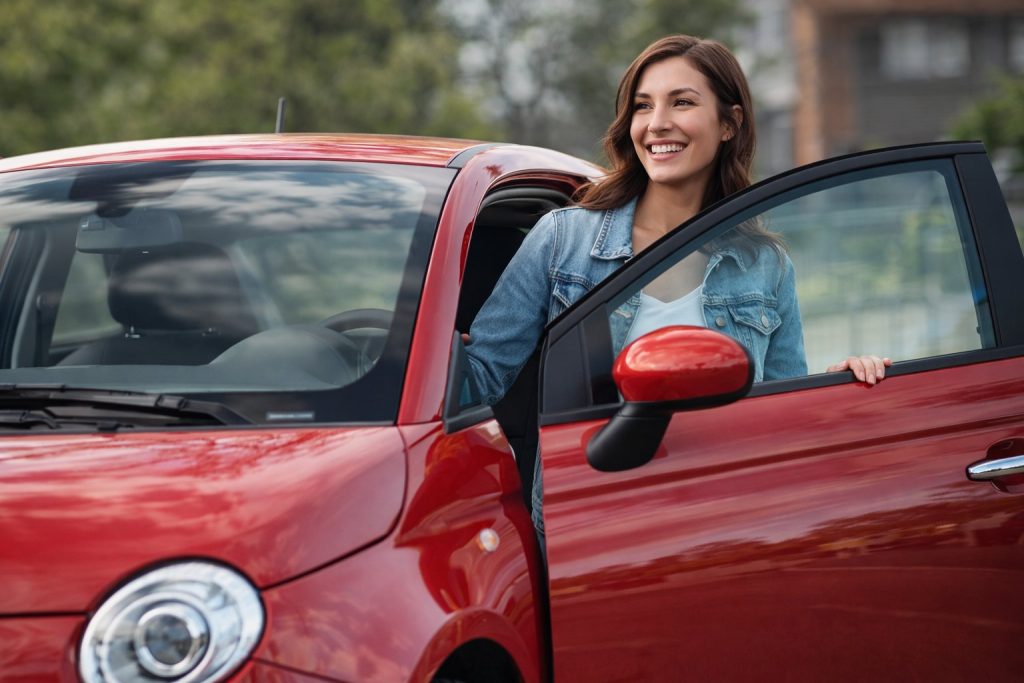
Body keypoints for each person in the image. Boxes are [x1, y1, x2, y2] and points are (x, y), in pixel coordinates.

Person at [463, 34, 890, 543]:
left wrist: (838, 387)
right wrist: (394, 355)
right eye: (643, 106)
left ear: (730, 123)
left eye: (681, 102)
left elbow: (776, 418)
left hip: (718, 529)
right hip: (586, 527)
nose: (657, 123)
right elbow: (480, 379)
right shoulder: (561, 240)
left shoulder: (764, 265)